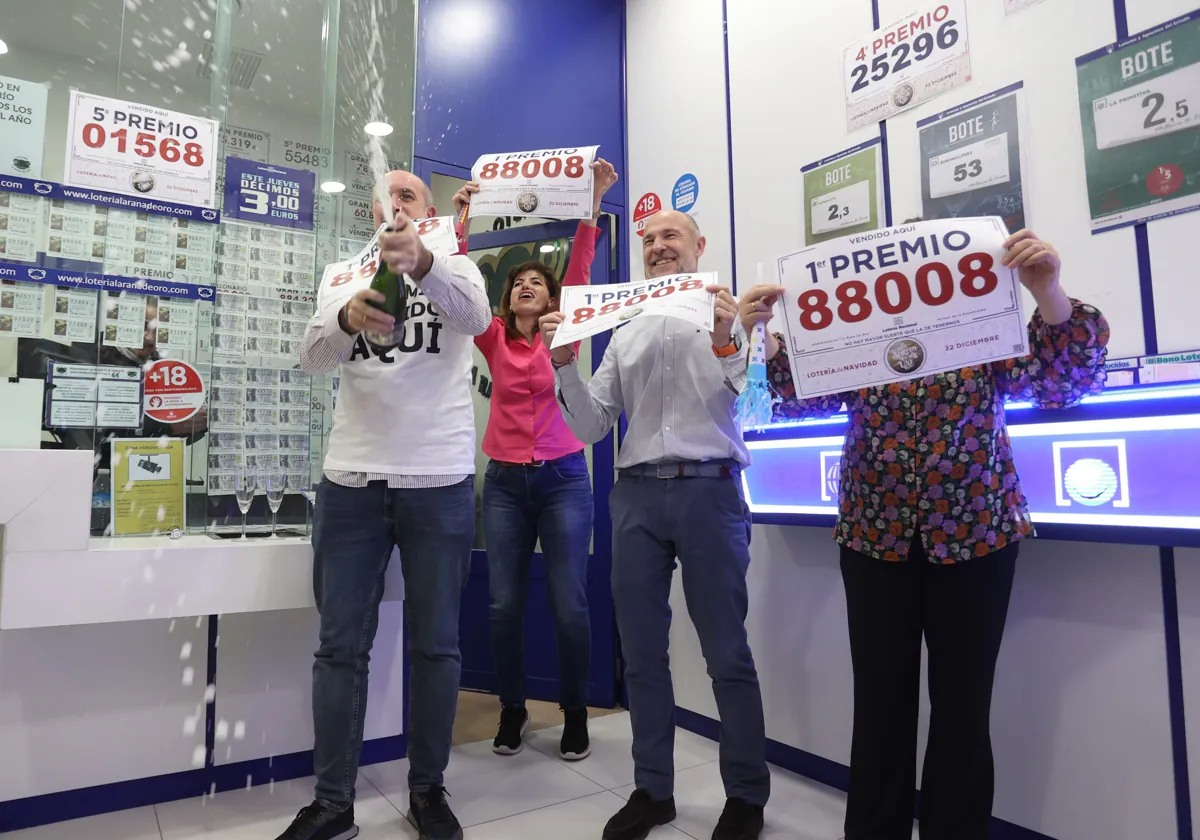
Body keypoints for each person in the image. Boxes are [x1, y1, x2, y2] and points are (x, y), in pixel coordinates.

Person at [737, 228, 1109, 840]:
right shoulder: (855, 341)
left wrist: (1048, 290)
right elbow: (795, 398)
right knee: (881, 707)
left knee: (964, 708)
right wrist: (767, 338)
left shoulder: (981, 328)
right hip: (873, 534)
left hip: (976, 534)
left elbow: (1064, 382)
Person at [540, 209, 769, 840]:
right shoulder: (624, 332)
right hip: (636, 497)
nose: (658, 246)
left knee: (727, 653)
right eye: (649, 240)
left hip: (710, 493)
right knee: (640, 655)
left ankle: (747, 796)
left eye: (670, 236)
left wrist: (730, 335)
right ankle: (653, 790)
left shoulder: (732, 315)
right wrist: (564, 366)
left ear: (700, 245)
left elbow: (754, 402)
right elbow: (589, 427)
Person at [281, 169, 491, 840]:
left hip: (439, 478)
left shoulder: (455, 266)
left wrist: (425, 264)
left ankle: (428, 789)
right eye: (387, 198)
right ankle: (333, 802)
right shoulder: (344, 270)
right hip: (351, 481)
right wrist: (346, 317)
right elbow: (312, 357)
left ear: (426, 211)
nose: (396, 204)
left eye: (409, 197)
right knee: (340, 646)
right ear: (374, 210)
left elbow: (477, 319)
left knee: (437, 646)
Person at [453, 160, 619, 760]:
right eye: (519, 283)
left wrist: (593, 201)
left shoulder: (566, 336)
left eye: (537, 283)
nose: (527, 286)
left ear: (551, 299)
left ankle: (575, 712)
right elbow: (462, 279)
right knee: (503, 603)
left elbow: (578, 267)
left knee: (569, 600)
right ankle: (514, 708)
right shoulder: (492, 336)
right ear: (508, 297)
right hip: (502, 485)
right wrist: (462, 220)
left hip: (564, 480)